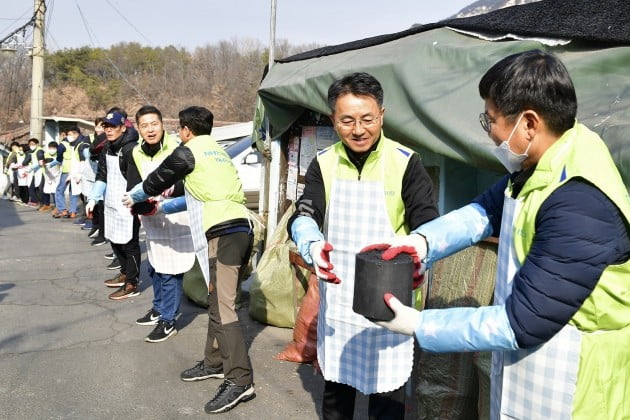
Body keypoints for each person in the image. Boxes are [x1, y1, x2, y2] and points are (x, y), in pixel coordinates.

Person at [371, 50, 630, 420]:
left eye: (490, 119)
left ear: (528, 123)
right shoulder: (542, 161)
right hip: (532, 370)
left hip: (577, 388)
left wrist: (418, 325)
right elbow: (483, 213)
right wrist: (420, 244)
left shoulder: (579, 203)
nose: (489, 131)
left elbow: (520, 322)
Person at [288, 72, 438, 419]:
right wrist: (311, 242)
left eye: (367, 119)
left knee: (387, 396)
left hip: (390, 297)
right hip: (339, 298)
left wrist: (420, 255)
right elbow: (306, 212)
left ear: (382, 116)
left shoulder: (405, 162)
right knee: (336, 393)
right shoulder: (324, 162)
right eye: (347, 120)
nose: (358, 130)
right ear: (333, 121)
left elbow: (427, 223)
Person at [123, 106, 255, 414]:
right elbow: (194, 196)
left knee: (223, 308)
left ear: (185, 130)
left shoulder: (190, 150)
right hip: (237, 228)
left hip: (224, 232)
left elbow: (159, 178)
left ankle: (240, 380)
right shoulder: (217, 153)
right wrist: (160, 210)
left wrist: (136, 195)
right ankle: (214, 362)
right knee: (216, 301)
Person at [121, 105, 195, 342]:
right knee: (154, 265)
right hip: (152, 216)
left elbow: (192, 182)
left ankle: (168, 320)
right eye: (144, 125)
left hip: (176, 215)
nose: (150, 130)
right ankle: (159, 307)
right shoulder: (136, 152)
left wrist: (170, 191)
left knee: (171, 268)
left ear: (163, 124)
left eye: (154, 124)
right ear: (138, 128)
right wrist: (137, 204)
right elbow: (133, 184)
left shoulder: (179, 147)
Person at [86, 110, 141, 300]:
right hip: (111, 201)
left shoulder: (131, 148)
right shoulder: (107, 147)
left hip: (128, 201)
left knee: (130, 243)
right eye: (106, 127)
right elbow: (102, 174)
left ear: (122, 128)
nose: (108, 130)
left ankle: (132, 282)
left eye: (113, 127)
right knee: (114, 239)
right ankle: (124, 272)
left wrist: (136, 201)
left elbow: (136, 179)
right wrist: (94, 197)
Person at [52, 126, 90, 219]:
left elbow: (59, 157)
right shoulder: (79, 142)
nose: (68, 136)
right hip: (75, 170)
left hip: (69, 170)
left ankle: (62, 210)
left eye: (69, 134)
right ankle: (73, 211)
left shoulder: (66, 144)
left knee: (60, 190)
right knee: (73, 191)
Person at [39, 141, 61, 212]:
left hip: (56, 175)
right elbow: (41, 163)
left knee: (55, 190)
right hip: (47, 174)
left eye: (53, 148)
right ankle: (46, 204)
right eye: (50, 148)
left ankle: (57, 206)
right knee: (45, 190)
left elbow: (61, 163)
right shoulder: (45, 154)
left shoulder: (59, 155)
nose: (52, 149)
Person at [22, 138, 45, 207]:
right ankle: (37, 201)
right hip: (35, 172)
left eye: (33, 144)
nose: (31, 145)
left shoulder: (39, 151)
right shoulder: (32, 152)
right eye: (30, 144)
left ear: (37, 144)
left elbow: (40, 163)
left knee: (40, 188)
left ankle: (42, 203)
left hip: (41, 171)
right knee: (34, 186)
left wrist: (30, 169)